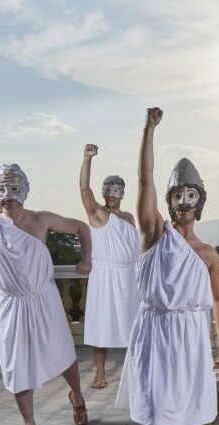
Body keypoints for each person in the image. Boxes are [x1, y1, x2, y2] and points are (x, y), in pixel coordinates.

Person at [116, 108, 219, 425]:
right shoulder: (152, 234)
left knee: (199, 401)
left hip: (192, 330)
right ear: (169, 201)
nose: (184, 202)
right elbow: (145, 180)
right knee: (157, 406)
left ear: (200, 202)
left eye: (191, 195)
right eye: (178, 195)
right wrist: (148, 130)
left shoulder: (208, 253)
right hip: (154, 329)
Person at [0, 129, 91, 425]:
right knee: (16, 363)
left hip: (43, 299)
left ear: (24, 189)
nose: (8, 192)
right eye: (2, 187)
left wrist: (88, 258)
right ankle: (29, 422)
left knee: (63, 354)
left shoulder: (41, 220)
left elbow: (82, 227)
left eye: (14, 186)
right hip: (11, 303)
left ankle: (77, 394)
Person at [78, 143, 139, 389]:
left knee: (133, 324)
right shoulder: (98, 214)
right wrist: (87, 159)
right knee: (102, 325)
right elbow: (83, 188)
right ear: (104, 192)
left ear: (123, 193)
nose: (113, 194)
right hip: (105, 276)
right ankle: (100, 373)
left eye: (117, 190)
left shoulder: (129, 218)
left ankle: (134, 371)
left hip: (129, 276)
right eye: (109, 190)